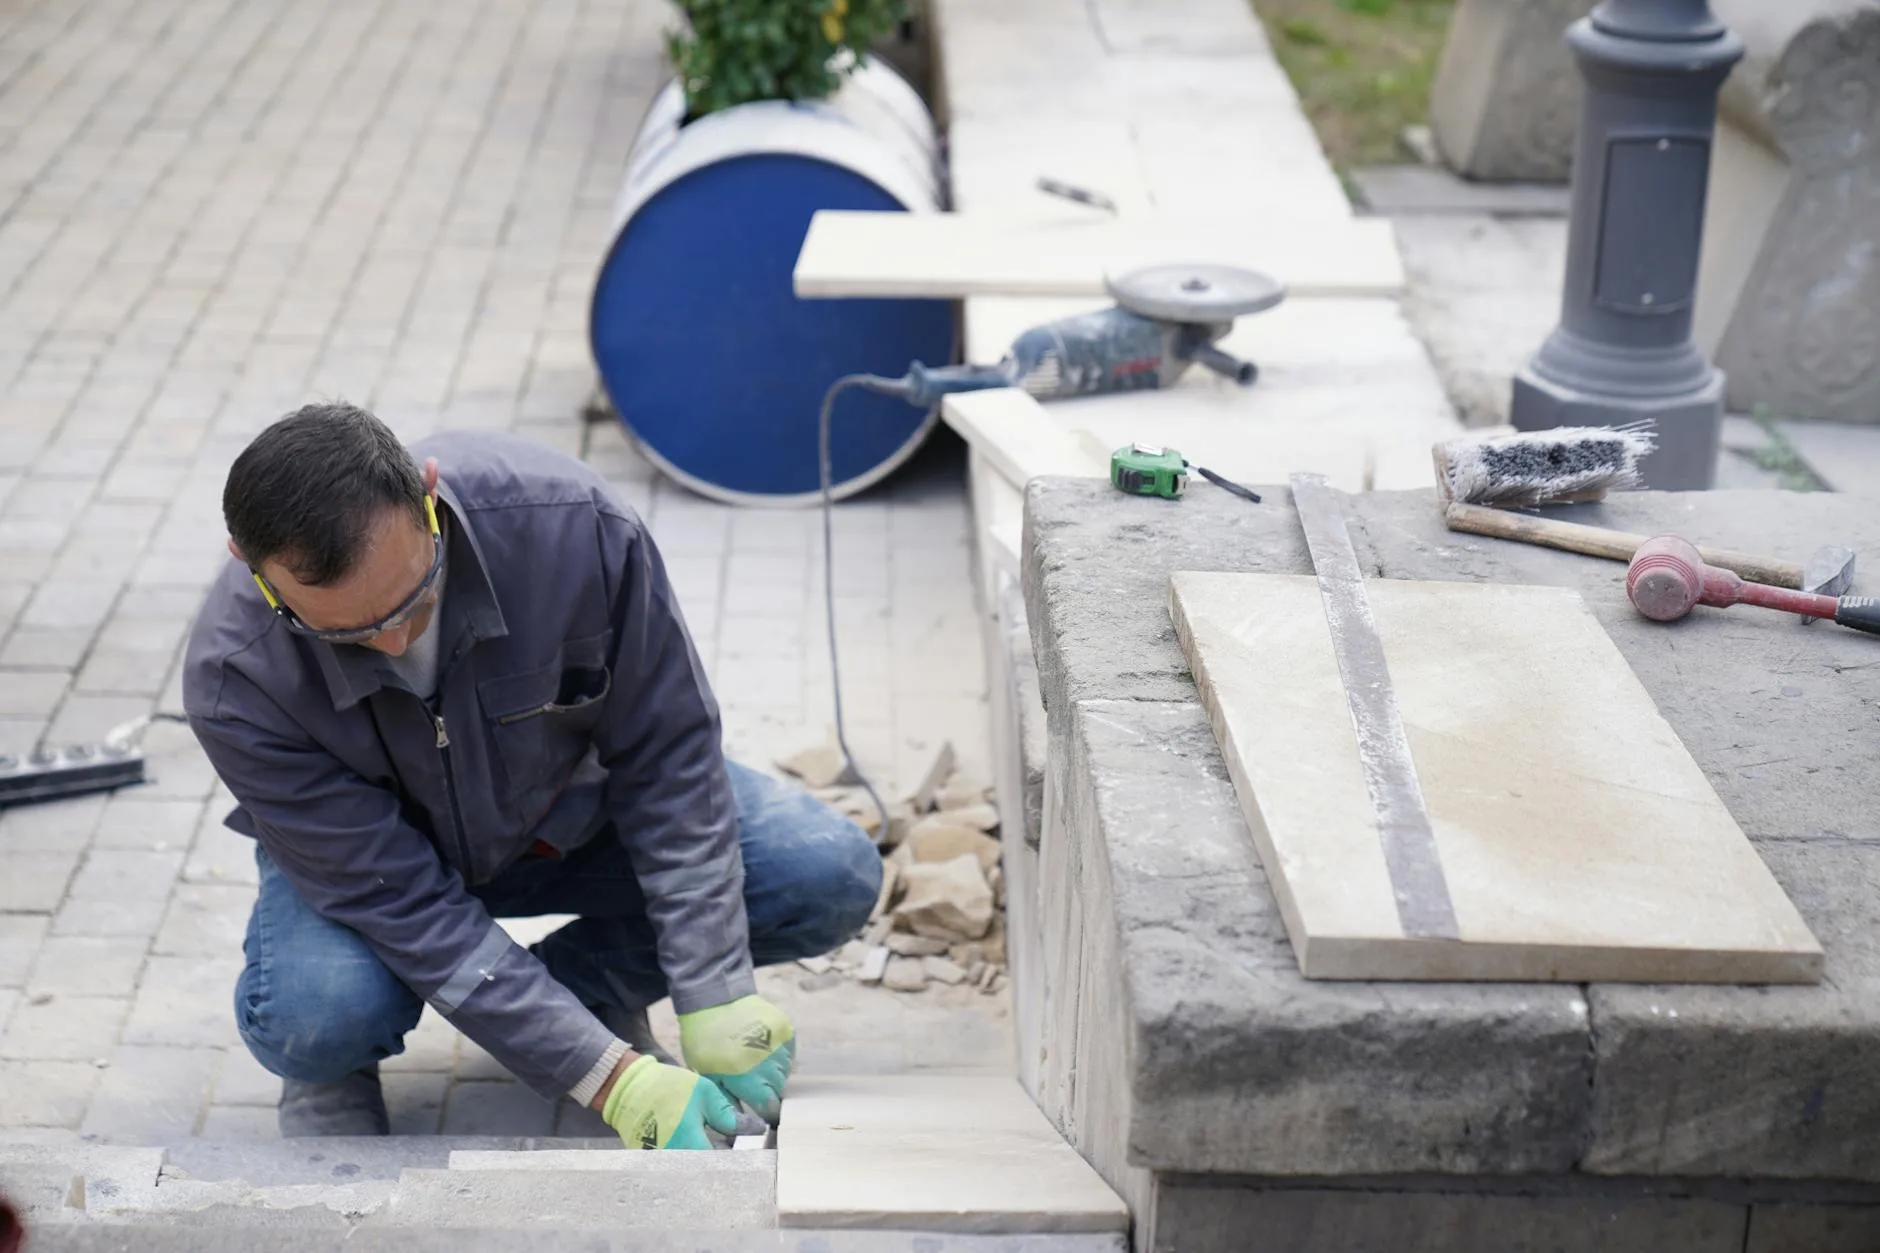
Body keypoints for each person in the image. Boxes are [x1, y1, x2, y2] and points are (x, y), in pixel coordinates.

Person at [182, 402, 882, 1146]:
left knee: (825, 872)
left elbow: (669, 752)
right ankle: (335, 1070)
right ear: (246, 562)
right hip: (375, 870)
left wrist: (714, 989)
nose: (390, 642)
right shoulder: (236, 678)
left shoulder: (572, 528)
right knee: (316, 1014)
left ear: (427, 490)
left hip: (565, 818)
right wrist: (608, 1077)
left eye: (413, 600)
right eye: (345, 632)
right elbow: (406, 907)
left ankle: (583, 991)